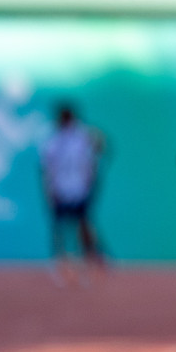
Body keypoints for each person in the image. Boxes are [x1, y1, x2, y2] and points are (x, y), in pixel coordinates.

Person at [40, 102, 106, 275]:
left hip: (78, 187)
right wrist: (50, 188)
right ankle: (63, 259)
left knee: (82, 223)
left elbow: (100, 147)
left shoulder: (81, 135)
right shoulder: (55, 138)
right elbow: (48, 166)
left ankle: (91, 255)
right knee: (61, 224)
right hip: (64, 187)